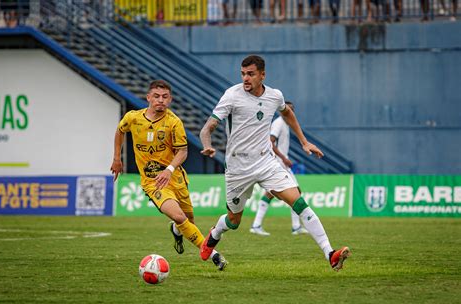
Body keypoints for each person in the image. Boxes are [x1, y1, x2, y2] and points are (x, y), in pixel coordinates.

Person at [199, 55, 351, 272]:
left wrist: (304, 141)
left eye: (250, 74)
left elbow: (287, 113)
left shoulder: (274, 96)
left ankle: (330, 254)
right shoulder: (232, 95)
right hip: (238, 168)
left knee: (298, 202)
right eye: (243, 74)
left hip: (266, 162)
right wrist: (207, 144)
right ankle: (214, 235)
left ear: (263, 74)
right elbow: (209, 126)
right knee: (233, 221)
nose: (245, 78)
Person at [110, 80, 227, 271]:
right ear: (148, 97)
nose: (160, 100)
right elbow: (120, 131)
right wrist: (116, 158)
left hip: (176, 179)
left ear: (170, 100)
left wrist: (169, 169)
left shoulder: (173, 122)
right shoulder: (133, 118)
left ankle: (175, 230)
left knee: (188, 222)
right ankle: (213, 255)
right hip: (153, 182)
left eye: (165, 97)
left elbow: (183, 152)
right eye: (156, 96)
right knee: (180, 217)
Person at [250, 101, 308, 236]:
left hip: (279, 162)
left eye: (292, 110)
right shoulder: (278, 123)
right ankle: (295, 227)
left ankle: (257, 225)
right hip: (278, 163)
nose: (291, 112)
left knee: (271, 193)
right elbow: (270, 142)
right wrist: (284, 158)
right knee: (296, 192)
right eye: (289, 110)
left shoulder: (286, 123)